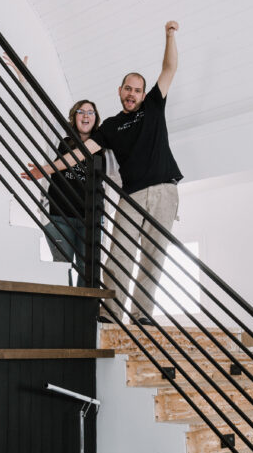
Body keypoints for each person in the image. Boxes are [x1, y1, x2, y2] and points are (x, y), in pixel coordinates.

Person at [24, 21, 181, 323]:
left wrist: (169, 36)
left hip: (164, 189)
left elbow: (169, 68)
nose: (132, 94)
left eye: (137, 90)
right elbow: (78, 155)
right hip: (132, 194)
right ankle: (110, 311)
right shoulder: (108, 126)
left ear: (144, 93)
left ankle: (141, 314)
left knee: (153, 255)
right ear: (120, 91)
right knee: (120, 252)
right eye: (128, 89)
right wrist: (46, 169)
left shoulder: (153, 106)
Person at [44, 100, 101, 285]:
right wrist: (23, 76)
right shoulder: (59, 139)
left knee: (87, 271)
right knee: (61, 267)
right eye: (81, 111)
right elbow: (38, 107)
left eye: (90, 112)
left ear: (96, 118)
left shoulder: (104, 149)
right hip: (59, 216)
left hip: (89, 220)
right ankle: (64, 313)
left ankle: (83, 314)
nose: (86, 115)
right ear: (73, 116)